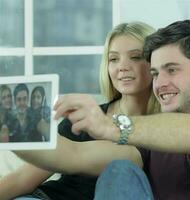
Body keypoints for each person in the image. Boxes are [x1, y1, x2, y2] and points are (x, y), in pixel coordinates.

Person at [16, 20, 190, 199]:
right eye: (155, 73)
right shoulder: (149, 146)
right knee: (118, 171)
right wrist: (12, 129)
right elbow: (70, 155)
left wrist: (111, 125)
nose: (159, 83)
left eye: (171, 70)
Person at [0, 21, 160, 200]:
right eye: (113, 59)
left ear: (155, 63)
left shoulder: (162, 131)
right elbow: (23, 178)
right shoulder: (83, 118)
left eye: (136, 57)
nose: (122, 66)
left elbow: (73, 154)